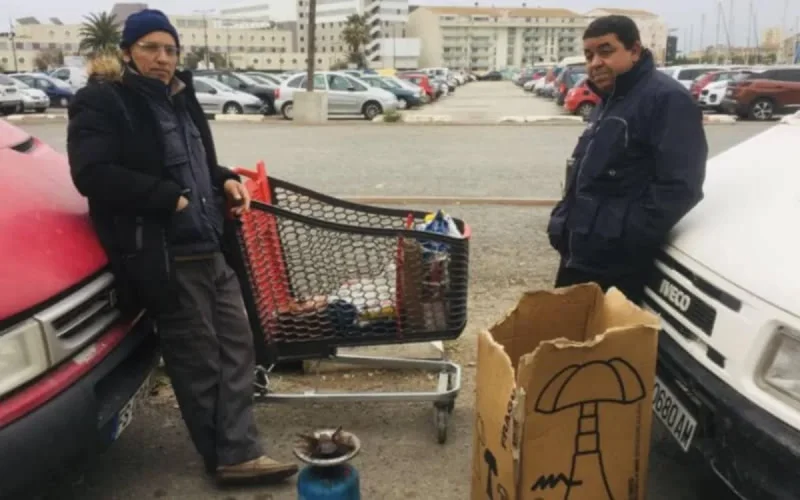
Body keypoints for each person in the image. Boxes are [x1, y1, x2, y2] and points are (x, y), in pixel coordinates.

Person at [66, 9, 298, 485]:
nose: (163, 58)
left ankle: (237, 448)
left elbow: (195, 165)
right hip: (165, 252)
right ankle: (230, 456)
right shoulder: (104, 102)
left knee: (240, 347)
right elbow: (92, 174)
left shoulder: (181, 97)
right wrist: (165, 198)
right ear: (128, 51)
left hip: (210, 241)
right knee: (199, 359)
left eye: (170, 49)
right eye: (151, 47)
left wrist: (227, 180)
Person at [547, 15, 708, 304]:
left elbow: (680, 187)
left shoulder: (666, 99)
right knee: (567, 343)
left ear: (634, 51)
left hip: (617, 267)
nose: (595, 62)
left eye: (605, 51)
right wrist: (562, 219)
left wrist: (621, 239)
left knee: (604, 347)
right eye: (589, 55)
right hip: (580, 255)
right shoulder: (610, 99)